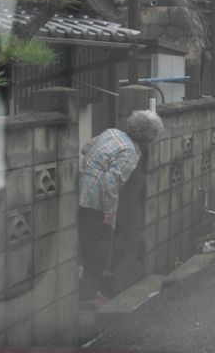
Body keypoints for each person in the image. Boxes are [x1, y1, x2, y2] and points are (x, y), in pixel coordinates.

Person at [78, 110, 163, 307]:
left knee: (91, 246)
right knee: (99, 250)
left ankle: (89, 291)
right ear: (148, 138)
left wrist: (95, 166)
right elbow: (111, 181)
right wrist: (109, 211)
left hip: (81, 188)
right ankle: (87, 296)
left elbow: (86, 148)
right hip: (95, 201)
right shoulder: (131, 153)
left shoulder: (112, 133)